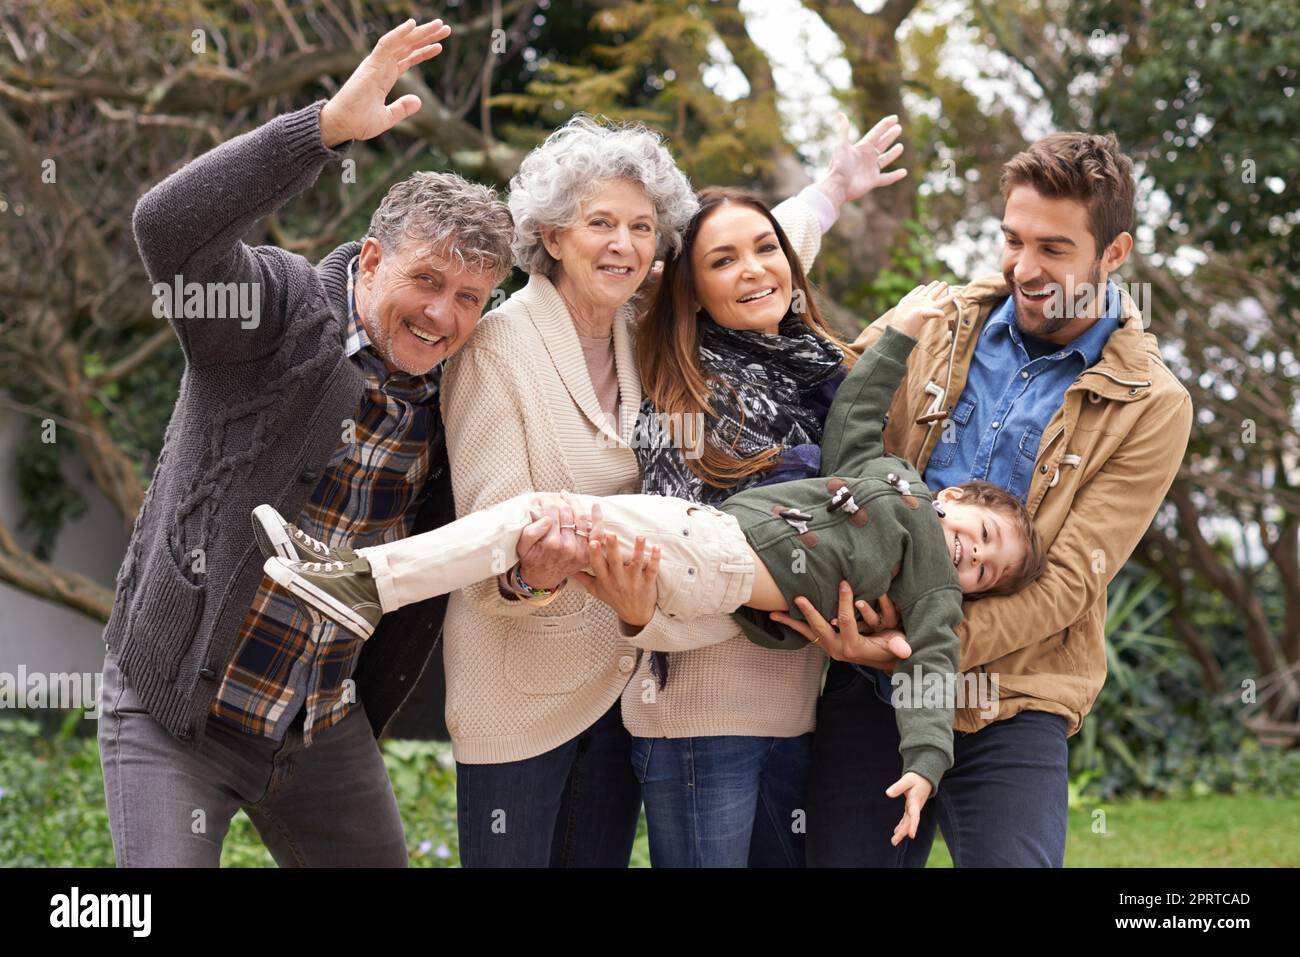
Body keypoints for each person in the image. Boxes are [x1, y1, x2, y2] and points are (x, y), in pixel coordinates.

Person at [259, 281, 1047, 842]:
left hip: (717, 556)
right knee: (546, 527)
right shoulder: (888, 482)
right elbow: (855, 419)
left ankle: (363, 581)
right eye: (982, 534)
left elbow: (934, 669)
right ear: (956, 498)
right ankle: (361, 582)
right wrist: (904, 331)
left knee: (540, 510)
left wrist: (924, 763)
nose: (972, 556)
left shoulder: (930, 582)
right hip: (705, 558)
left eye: (986, 569)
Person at [98, 18, 518, 866]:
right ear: (369, 261)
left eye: (470, 297)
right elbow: (167, 232)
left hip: (318, 725)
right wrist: (322, 129)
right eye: (426, 280)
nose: (443, 315)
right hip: (177, 709)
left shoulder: (465, 391)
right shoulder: (278, 314)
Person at [433, 136, 906, 866]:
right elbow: (484, 549)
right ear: (552, 234)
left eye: (643, 227)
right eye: (601, 224)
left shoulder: (641, 322)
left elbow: (745, 260)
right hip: (521, 700)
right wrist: (533, 571)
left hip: (622, 686)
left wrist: (832, 191)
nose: (624, 244)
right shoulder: (499, 348)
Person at [797, 132, 1194, 867]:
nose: (1024, 267)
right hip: (869, 681)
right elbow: (835, 431)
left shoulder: (1154, 403)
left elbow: (1072, 582)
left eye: (1054, 248)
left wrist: (911, 649)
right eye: (1013, 239)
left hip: (1015, 691)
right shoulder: (933, 323)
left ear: (1114, 254)